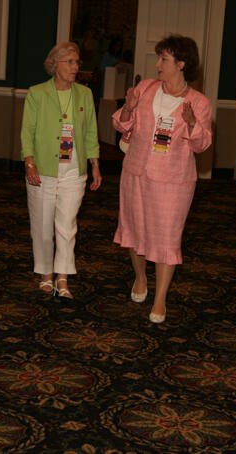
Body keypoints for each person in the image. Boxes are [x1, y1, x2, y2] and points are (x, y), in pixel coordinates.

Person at [112, 34, 212, 323]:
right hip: (135, 173)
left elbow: (202, 144)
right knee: (133, 230)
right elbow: (120, 124)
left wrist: (193, 125)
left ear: (181, 64)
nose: (157, 65)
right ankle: (141, 278)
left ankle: (160, 300)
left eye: (164, 59)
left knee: (167, 239)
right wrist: (129, 107)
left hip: (174, 181)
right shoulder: (144, 88)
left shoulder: (199, 103)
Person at [21, 41, 102, 299]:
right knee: (43, 225)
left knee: (67, 226)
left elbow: (90, 132)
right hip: (42, 168)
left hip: (73, 171)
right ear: (55, 64)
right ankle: (46, 273)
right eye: (70, 62)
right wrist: (29, 162)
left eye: (77, 62)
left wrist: (95, 164)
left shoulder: (84, 94)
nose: (75, 67)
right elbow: (27, 132)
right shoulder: (36, 94)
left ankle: (63, 277)